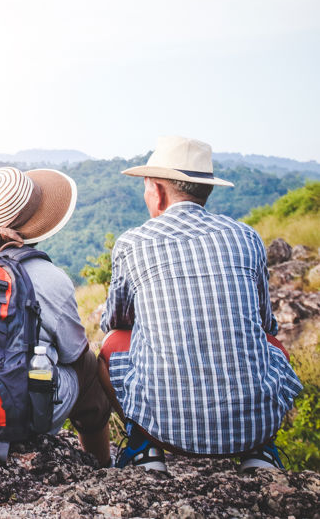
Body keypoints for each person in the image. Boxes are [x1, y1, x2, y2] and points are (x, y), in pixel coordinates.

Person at [99, 136, 302, 472]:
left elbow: (117, 321)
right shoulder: (246, 236)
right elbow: (267, 325)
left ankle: (145, 445)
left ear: (158, 190)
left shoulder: (133, 243)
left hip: (165, 428)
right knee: (274, 345)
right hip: (253, 427)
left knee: (110, 345)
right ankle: (260, 451)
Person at [0, 166, 113, 467]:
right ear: (39, 223)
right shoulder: (50, 278)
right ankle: (101, 463)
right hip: (20, 418)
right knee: (88, 364)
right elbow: (73, 352)